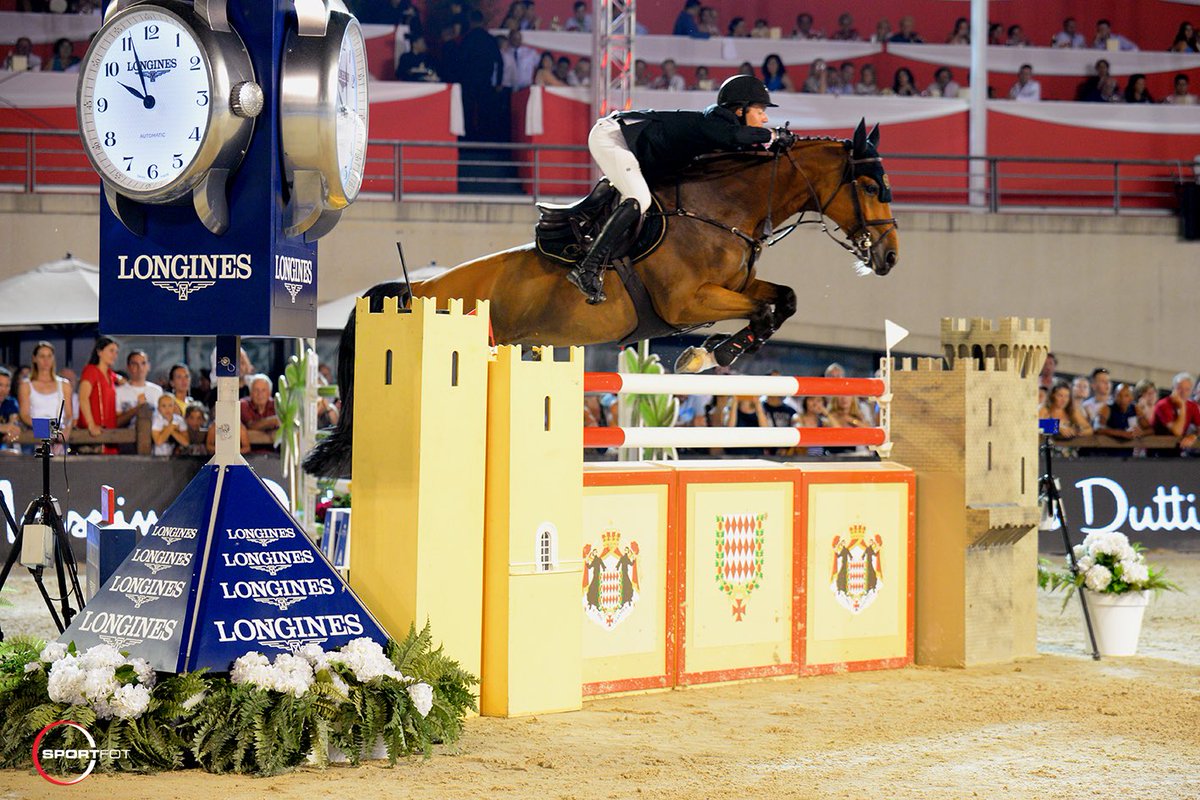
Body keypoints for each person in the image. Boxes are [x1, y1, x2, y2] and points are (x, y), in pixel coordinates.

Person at [565, 75, 787, 304]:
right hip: (612, 137)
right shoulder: (716, 122)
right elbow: (735, 136)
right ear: (740, 110)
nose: (765, 118)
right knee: (639, 199)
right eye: (760, 111)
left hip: (628, 144)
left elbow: (740, 147)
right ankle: (587, 268)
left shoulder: (720, 128)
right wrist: (772, 135)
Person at [18, 342, 72, 442]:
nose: (46, 360)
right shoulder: (26, 385)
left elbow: (68, 414)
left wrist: (67, 428)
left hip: (59, 438)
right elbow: (24, 415)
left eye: (49, 356)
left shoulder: (64, 384)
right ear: (34, 359)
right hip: (34, 437)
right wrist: (48, 429)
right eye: (42, 356)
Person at [77, 336, 120, 453]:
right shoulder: (90, 371)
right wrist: (91, 425)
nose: (114, 355)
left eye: (116, 352)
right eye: (111, 351)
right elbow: (83, 398)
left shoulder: (111, 375)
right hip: (94, 433)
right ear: (100, 352)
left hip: (110, 432)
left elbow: (118, 378)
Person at [1152, 372, 1200, 454]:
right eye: (1179, 388)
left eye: (1187, 389)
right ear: (1173, 388)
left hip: (1177, 452)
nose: (1183, 392)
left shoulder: (1192, 406)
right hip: (1156, 452)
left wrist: (1192, 436)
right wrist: (1182, 407)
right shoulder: (1163, 405)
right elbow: (1177, 432)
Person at [114, 349, 163, 429]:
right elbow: (116, 422)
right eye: (135, 364)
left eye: (143, 363)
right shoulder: (118, 392)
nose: (140, 367)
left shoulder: (157, 391)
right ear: (128, 367)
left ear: (148, 366)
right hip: (126, 435)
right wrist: (137, 408)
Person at [241, 373, 280, 452]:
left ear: (269, 393)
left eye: (263, 390)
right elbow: (251, 426)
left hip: (273, 454)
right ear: (250, 392)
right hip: (249, 453)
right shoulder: (243, 404)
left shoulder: (277, 405)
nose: (260, 394)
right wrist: (273, 421)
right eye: (256, 390)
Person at [0, 367, 21, 452]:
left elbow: (13, 423)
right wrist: (2, 427)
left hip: (2, 448)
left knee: (14, 454)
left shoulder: (10, 402)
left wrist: (13, 431)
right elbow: (6, 427)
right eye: (0, 385)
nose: (4, 390)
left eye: (7, 386)